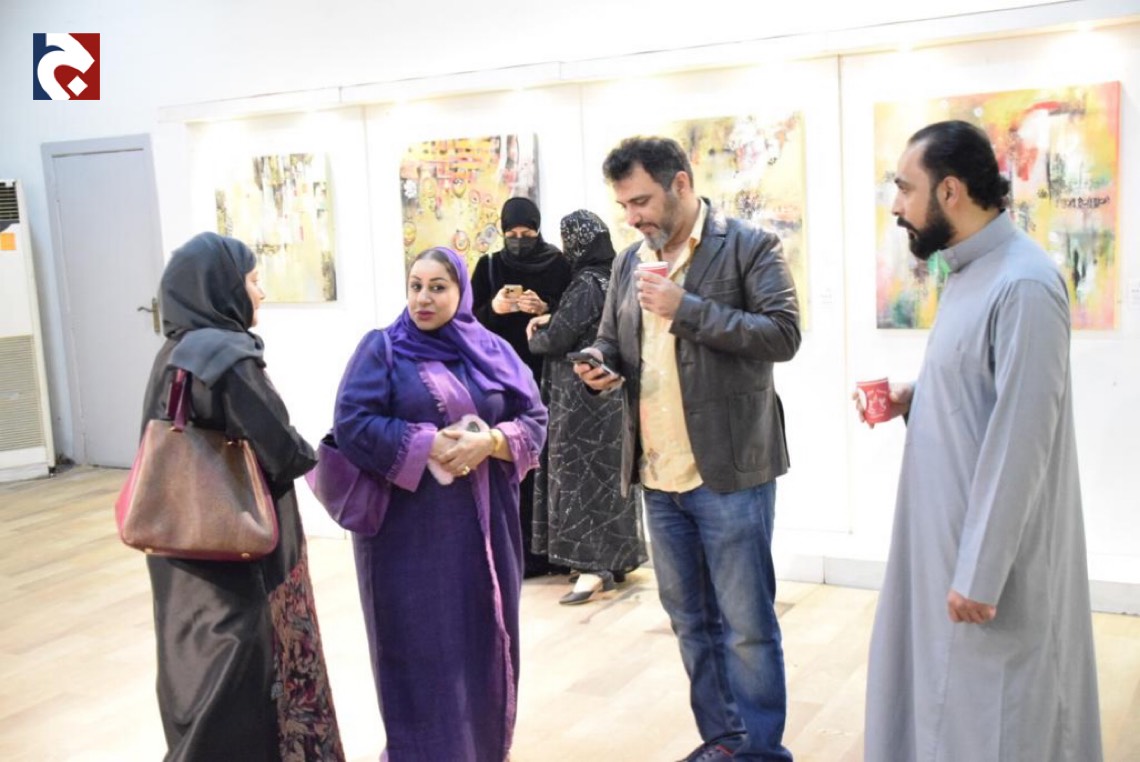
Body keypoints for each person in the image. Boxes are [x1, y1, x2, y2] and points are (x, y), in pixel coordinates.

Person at [856, 120, 1102, 761]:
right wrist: (915, 395)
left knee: (997, 715)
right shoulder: (972, 271)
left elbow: (1024, 436)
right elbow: (984, 386)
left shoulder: (1023, 284)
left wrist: (981, 574)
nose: (896, 205)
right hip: (945, 540)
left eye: (905, 188)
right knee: (949, 702)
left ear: (950, 191)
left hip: (989, 566)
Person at [575, 137, 801, 762]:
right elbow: (612, 340)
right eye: (624, 205)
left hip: (730, 471)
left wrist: (688, 310)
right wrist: (598, 363)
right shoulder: (629, 261)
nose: (633, 217)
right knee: (691, 623)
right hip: (657, 473)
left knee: (747, 626)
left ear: (681, 184)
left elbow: (783, 335)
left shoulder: (749, 245)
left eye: (642, 201)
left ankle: (762, 752)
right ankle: (724, 741)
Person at [333, 247, 547, 761]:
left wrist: (491, 442)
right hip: (407, 537)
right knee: (419, 649)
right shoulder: (384, 350)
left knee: (483, 640)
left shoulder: (493, 349)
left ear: (461, 292)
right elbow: (352, 424)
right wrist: (428, 443)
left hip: (486, 533)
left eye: (437, 287)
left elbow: (535, 417)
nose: (423, 299)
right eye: (415, 286)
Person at [140, 232, 343, 761]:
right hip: (242, 550)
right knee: (252, 677)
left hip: (180, 544)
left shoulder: (172, 354)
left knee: (195, 666)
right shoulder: (227, 357)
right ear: (221, 287)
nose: (261, 292)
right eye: (252, 280)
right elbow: (283, 451)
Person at [526, 209, 647, 605]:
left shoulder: (586, 283)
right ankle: (614, 561)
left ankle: (592, 568)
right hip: (610, 396)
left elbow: (559, 338)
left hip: (579, 402)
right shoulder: (616, 277)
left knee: (580, 481)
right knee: (609, 479)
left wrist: (536, 333)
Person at [472, 196, 572, 578]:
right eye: (511, 233)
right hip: (502, 380)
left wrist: (546, 308)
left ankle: (555, 551)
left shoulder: (558, 264)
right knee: (512, 465)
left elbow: (575, 313)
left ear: (538, 229)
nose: (518, 240)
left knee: (551, 464)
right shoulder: (490, 266)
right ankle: (519, 553)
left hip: (548, 376)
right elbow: (468, 323)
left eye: (526, 233)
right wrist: (495, 309)